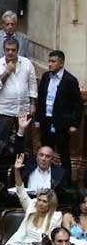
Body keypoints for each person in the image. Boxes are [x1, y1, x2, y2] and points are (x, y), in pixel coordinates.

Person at [35, 50, 82, 182]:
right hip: (46, 121)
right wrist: (38, 119)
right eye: (49, 61)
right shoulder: (45, 77)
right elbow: (41, 99)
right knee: (46, 151)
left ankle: (66, 183)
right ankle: (44, 179)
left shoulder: (70, 80)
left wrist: (74, 124)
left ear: (61, 63)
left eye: (53, 61)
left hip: (61, 123)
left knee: (63, 154)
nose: (50, 64)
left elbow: (77, 104)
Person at [2, 153, 61, 245]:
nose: (40, 203)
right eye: (39, 200)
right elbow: (20, 191)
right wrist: (17, 171)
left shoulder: (56, 217)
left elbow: (50, 242)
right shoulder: (31, 207)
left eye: (44, 201)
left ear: (51, 204)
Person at [0, 37, 37, 129]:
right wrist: (7, 71)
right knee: (4, 141)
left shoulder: (27, 63)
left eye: (13, 50)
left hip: (23, 110)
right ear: (4, 50)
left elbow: (33, 85)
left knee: (23, 141)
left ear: (17, 50)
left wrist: (33, 104)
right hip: (5, 111)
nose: (10, 52)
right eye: (7, 50)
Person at [14, 114, 67, 191]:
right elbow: (18, 153)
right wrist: (21, 130)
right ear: (37, 156)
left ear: (52, 159)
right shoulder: (28, 166)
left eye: (47, 156)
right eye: (41, 155)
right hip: (29, 200)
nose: (43, 158)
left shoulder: (59, 173)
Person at [0, 10, 30, 80]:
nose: (10, 27)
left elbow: (27, 61)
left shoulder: (24, 39)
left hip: (17, 79)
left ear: (16, 25)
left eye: (12, 24)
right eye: (7, 24)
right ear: (3, 24)